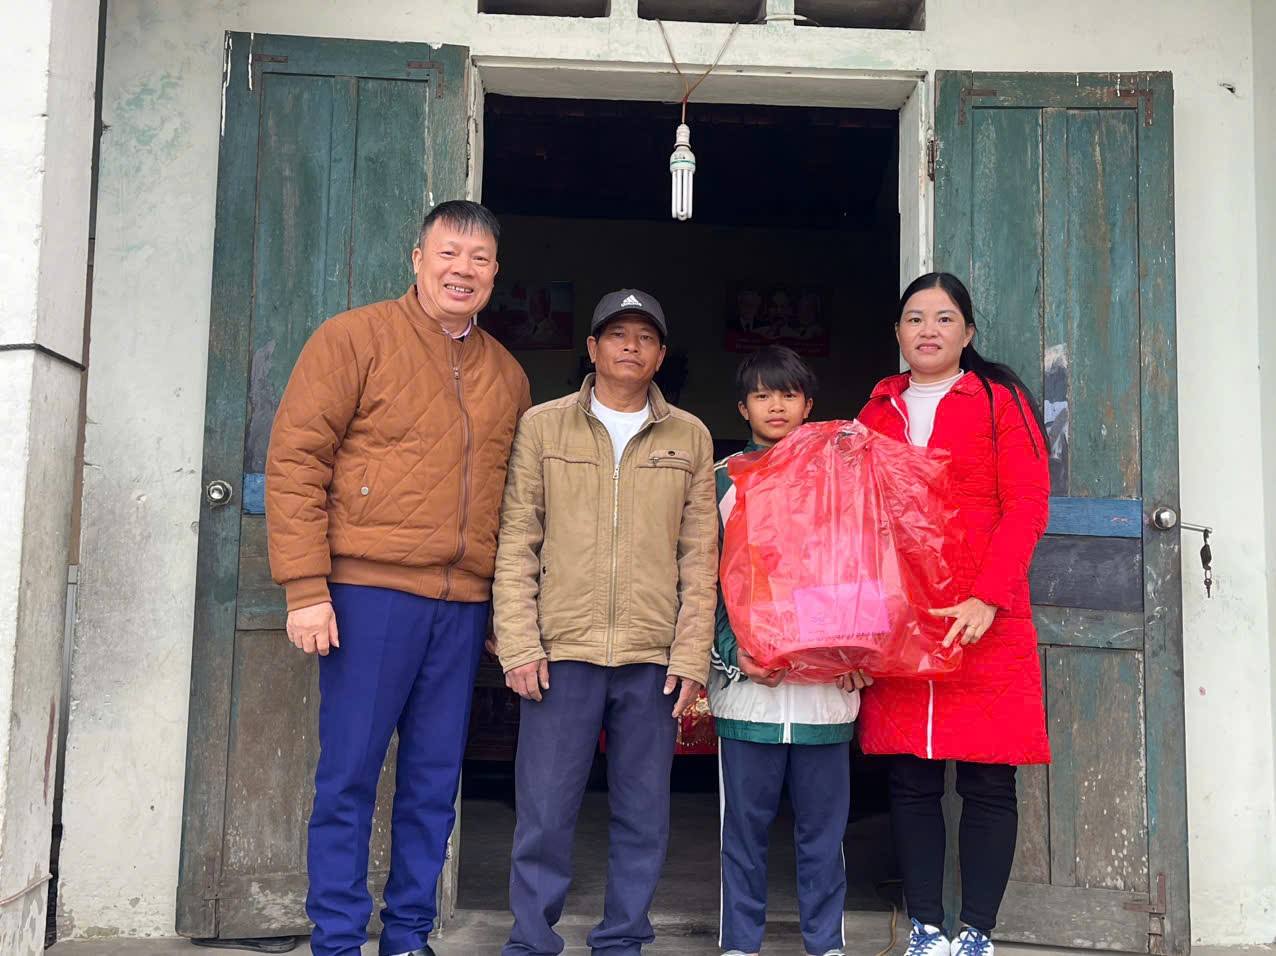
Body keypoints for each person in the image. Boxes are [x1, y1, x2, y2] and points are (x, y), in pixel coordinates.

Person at [265, 200, 531, 956]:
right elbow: (296, 461)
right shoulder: (354, 338)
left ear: (495, 274)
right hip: (367, 595)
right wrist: (306, 588)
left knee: (433, 780)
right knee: (349, 775)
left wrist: (505, 609)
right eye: (448, 254)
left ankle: (409, 934)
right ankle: (338, 939)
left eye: (479, 259)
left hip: (462, 605)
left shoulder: (507, 374)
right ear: (418, 260)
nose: (462, 270)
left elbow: (515, 501)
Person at [493, 289, 718, 956]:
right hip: (562, 650)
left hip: (652, 657)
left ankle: (622, 938)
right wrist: (518, 643)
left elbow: (700, 556)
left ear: (660, 355)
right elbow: (517, 541)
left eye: (644, 337)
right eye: (617, 334)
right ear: (592, 348)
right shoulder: (544, 427)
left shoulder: (689, 436)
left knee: (643, 812)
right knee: (545, 808)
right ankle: (532, 940)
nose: (630, 346)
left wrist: (691, 655)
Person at [856, 273, 1051, 956]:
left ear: (968, 332)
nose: (928, 330)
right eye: (915, 318)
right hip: (901, 619)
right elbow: (852, 516)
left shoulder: (999, 400)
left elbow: (1027, 504)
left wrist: (988, 595)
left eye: (944, 318)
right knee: (910, 777)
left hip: (984, 618)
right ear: (898, 332)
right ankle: (926, 926)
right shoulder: (876, 411)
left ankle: (977, 931)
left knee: (988, 778)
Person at [709, 346, 872, 956]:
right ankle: (739, 943)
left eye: (788, 394)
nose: (775, 406)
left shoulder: (843, 475)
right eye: (761, 394)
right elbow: (703, 580)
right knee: (742, 832)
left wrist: (858, 653)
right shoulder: (722, 479)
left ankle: (825, 943)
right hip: (748, 694)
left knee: (823, 834)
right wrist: (733, 653)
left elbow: (865, 571)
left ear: (809, 405)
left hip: (826, 697)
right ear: (742, 407)